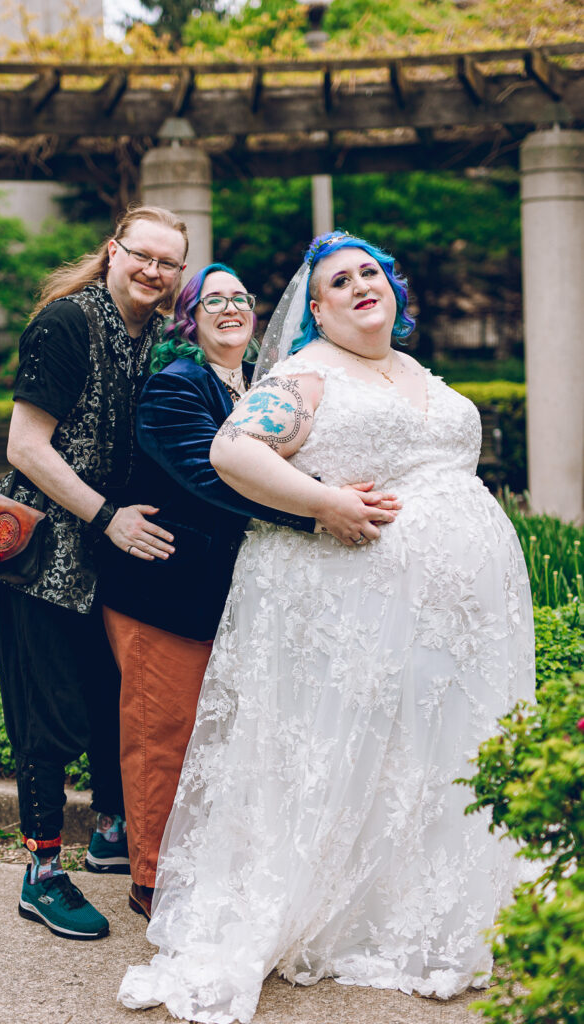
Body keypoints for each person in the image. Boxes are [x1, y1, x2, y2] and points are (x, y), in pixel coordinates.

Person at [117, 230, 535, 1019]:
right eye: (337, 282)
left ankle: (432, 890)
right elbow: (234, 450)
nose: (357, 286)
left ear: (392, 290)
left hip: (457, 620)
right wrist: (325, 504)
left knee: (428, 751)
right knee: (365, 752)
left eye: (368, 273)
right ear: (316, 309)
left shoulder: (413, 369)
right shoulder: (305, 375)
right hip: (364, 607)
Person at [98, 262, 401, 922]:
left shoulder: (255, 385)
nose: (230, 307)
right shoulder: (173, 386)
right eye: (212, 301)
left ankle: (198, 863)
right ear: (189, 319)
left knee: (217, 738)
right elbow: (208, 477)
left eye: (240, 297)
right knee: (162, 733)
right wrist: (314, 510)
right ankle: (149, 879)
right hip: (164, 588)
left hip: (224, 594)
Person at [0, 204, 187, 941]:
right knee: (47, 715)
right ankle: (40, 874)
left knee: (114, 698)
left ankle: (112, 833)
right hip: (43, 552)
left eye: (168, 263)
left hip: (111, 556)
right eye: (142, 255)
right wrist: (109, 516)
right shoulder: (66, 324)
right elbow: (26, 447)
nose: (153, 271)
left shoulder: (158, 337)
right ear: (113, 251)